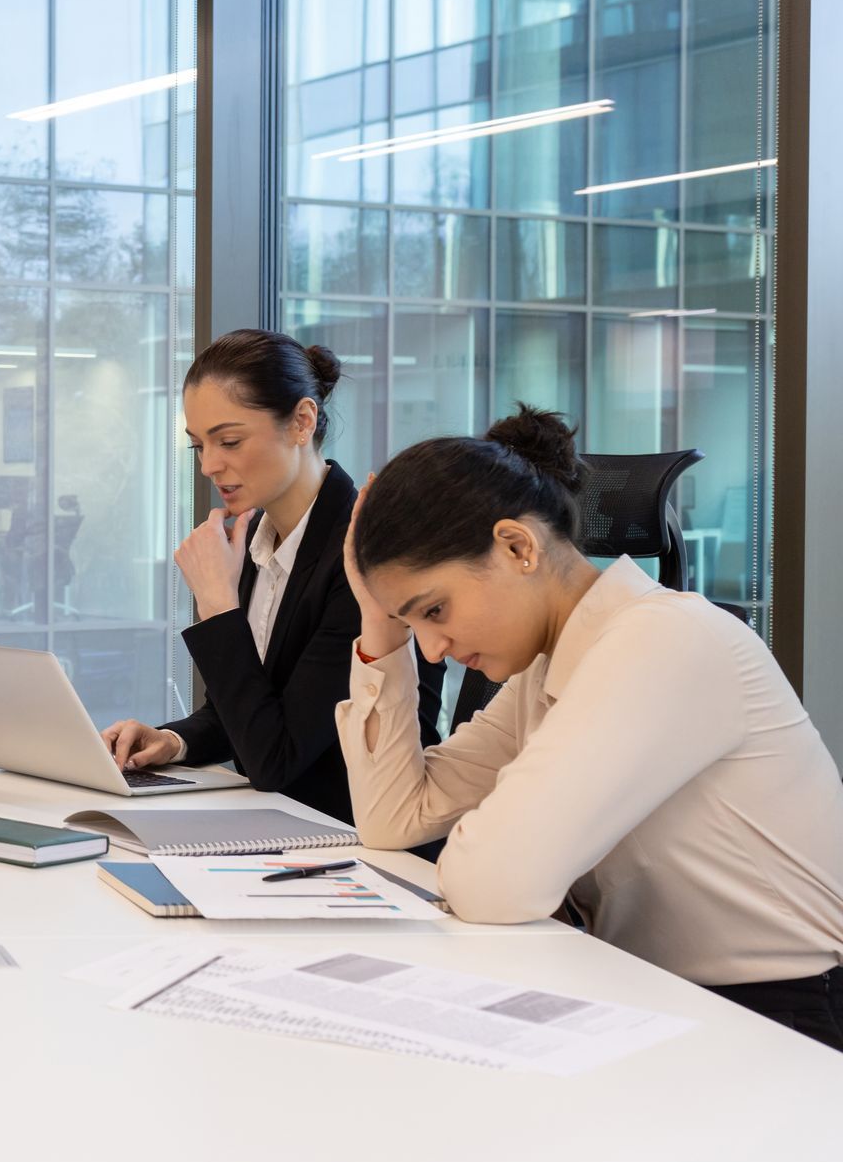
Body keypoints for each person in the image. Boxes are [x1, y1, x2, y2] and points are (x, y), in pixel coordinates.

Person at [339, 406, 843, 1049]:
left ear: (518, 545)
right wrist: (379, 624)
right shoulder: (546, 671)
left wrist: (493, 836)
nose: (432, 649)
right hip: (652, 993)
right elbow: (392, 817)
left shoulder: (666, 640)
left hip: (780, 1017)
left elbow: (494, 881)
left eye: (434, 610)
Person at [100, 329, 444, 825]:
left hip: (360, 838)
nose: (209, 465)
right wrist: (174, 741)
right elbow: (242, 713)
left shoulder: (363, 554)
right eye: (199, 445)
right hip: (281, 828)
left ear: (302, 422)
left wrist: (218, 604)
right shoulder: (258, 535)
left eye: (230, 440)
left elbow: (275, 758)